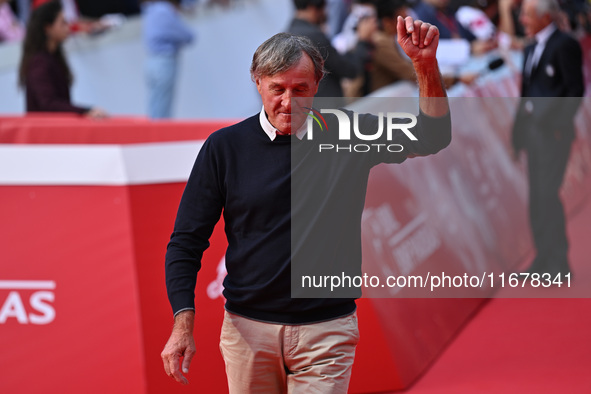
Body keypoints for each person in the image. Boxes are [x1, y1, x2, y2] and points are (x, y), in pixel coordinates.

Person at [161, 16, 451, 393]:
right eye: (277, 88)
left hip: (326, 331)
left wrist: (424, 66)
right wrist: (182, 324)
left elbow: (432, 136)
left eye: (301, 88)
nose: (288, 101)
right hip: (247, 333)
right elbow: (186, 241)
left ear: (318, 85)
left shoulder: (348, 134)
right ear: (257, 82)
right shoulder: (224, 148)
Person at [511, 0, 584, 277]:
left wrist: (558, 125)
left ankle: (558, 263)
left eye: (527, 15)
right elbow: (525, 92)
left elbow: (575, 89)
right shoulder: (530, 48)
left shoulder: (565, 44)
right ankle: (543, 259)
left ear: (544, 17)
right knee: (536, 198)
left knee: (547, 195)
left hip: (554, 134)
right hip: (532, 134)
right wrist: (517, 135)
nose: (523, 21)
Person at [18, 0, 107, 117]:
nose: (68, 27)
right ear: (48, 28)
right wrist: (85, 111)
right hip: (44, 132)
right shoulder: (39, 63)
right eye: (63, 23)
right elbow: (48, 104)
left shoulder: (53, 57)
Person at [287, 0, 376, 98]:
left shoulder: (288, 34)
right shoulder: (314, 37)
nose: (326, 12)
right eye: (325, 6)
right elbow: (349, 69)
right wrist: (362, 40)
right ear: (313, 7)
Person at [142, 0, 194, 119]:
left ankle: (155, 133)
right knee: (163, 105)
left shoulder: (152, 9)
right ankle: (160, 135)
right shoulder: (163, 10)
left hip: (152, 60)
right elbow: (188, 35)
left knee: (156, 103)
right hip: (164, 61)